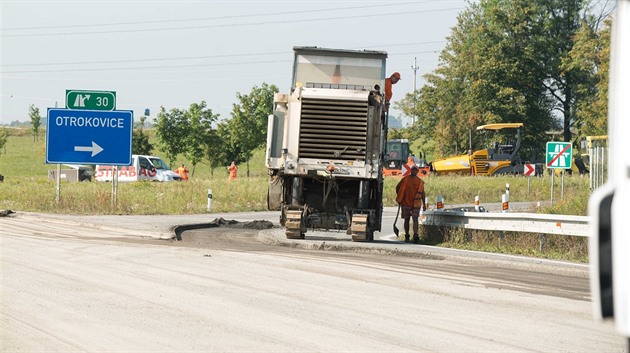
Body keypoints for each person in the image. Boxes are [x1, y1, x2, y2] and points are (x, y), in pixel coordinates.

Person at [395, 165, 426, 242]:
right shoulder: (405, 179)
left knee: (415, 219)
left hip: (416, 204)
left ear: (417, 171)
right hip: (406, 203)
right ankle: (407, 235)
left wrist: (424, 204)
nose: (414, 171)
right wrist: (400, 197)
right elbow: (397, 188)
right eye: (413, 170)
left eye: (415, 170)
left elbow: (422, 193)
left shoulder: (420, 182)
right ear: (411, 171)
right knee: (407, 219)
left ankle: (415, 235)